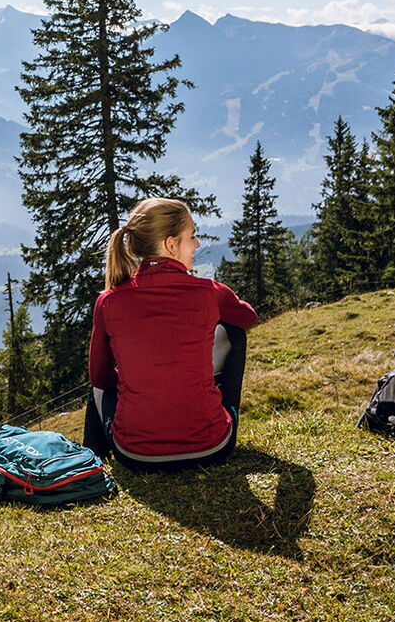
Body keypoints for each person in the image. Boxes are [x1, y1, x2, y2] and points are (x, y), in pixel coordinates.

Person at [84, 197, 262, 472]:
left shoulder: (108, 301)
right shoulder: (209, 292)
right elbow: (247, 317)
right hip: (213, 447)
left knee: (95, 386)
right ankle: (217, 414)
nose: (197, 244)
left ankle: (93, 460)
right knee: (234, 332)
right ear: (170, 244)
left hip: (134, 456)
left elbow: (100, 378)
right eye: (191, 236)